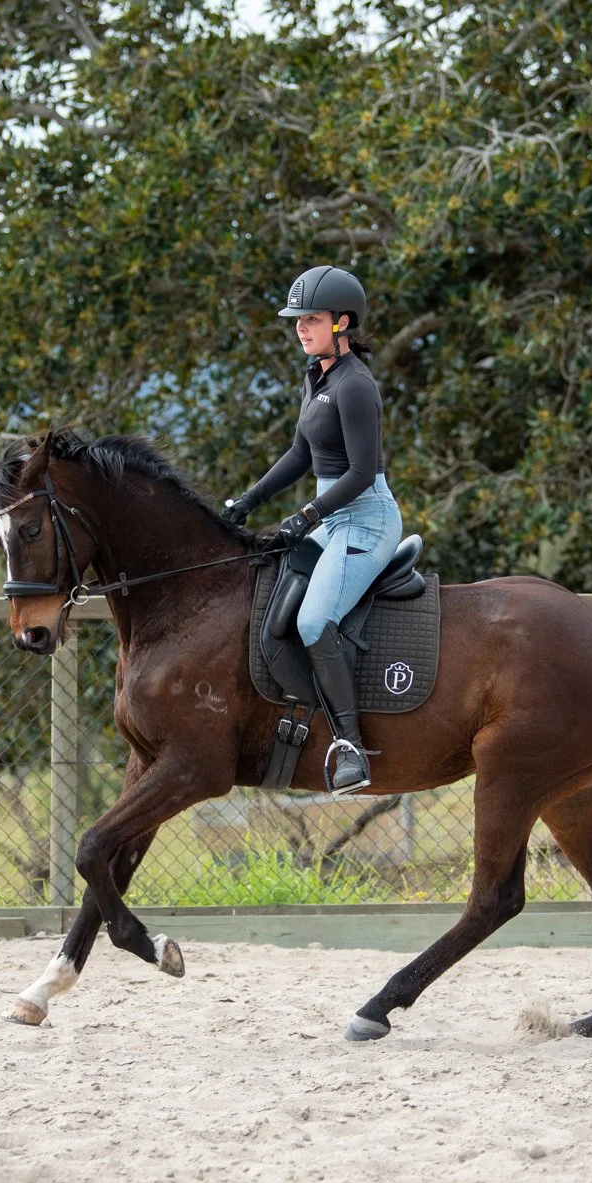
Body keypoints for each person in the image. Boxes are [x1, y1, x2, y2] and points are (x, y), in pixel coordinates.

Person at [223, 265, 402, 795]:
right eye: (298, 319)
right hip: (331, 515)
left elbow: (362, 472)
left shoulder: (355, 385)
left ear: (343, 322)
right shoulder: (317, 376)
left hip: (365, 520)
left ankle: (349, 745)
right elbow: (302, 454)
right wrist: (249, 500)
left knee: (313, 620)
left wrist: (307, 517)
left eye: (313, 319)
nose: (301, 328)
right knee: (268, 591)